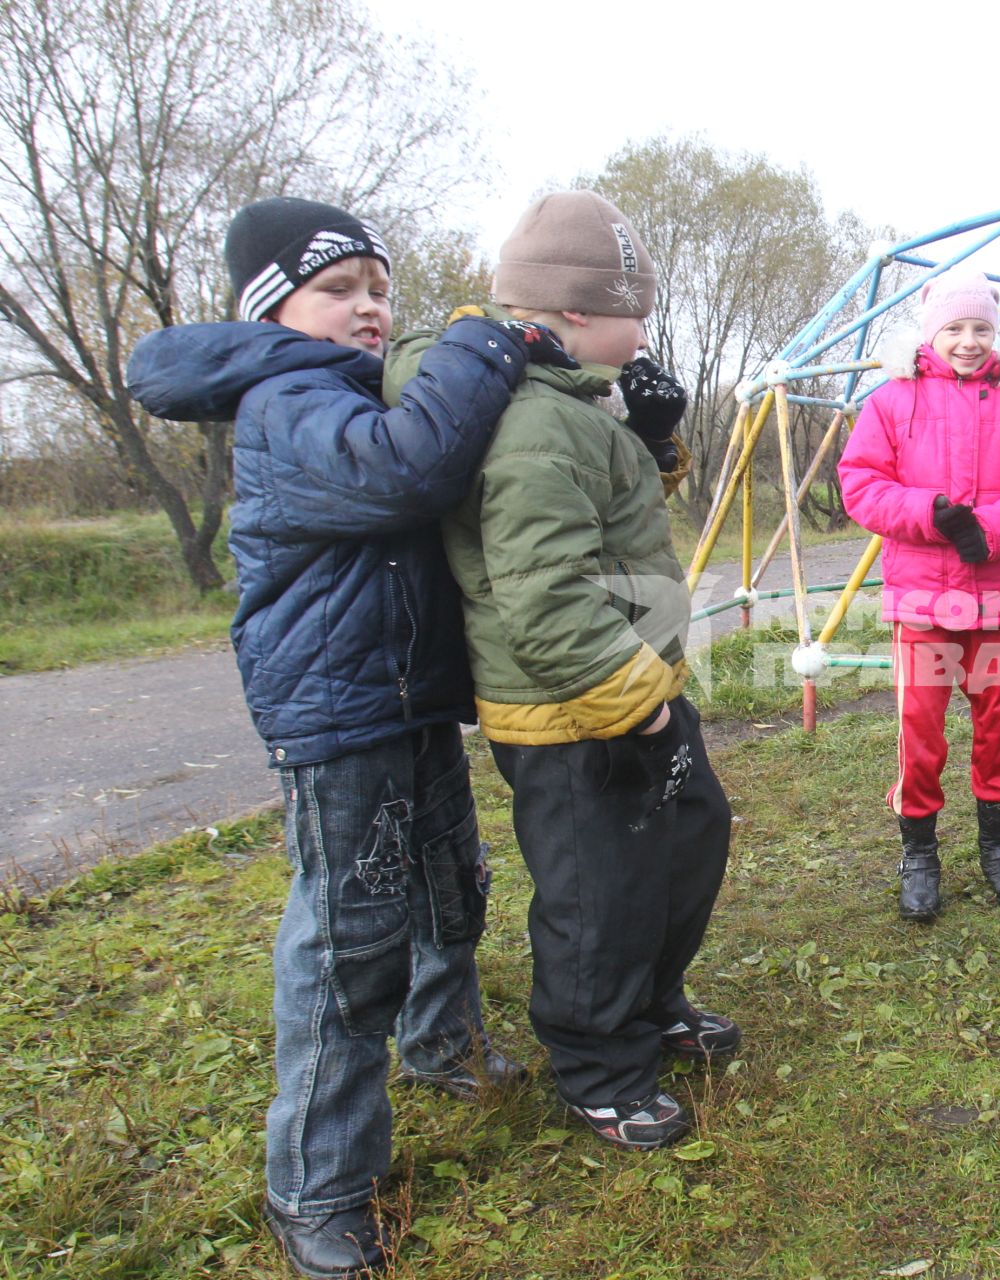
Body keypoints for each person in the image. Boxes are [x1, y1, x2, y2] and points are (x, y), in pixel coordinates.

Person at [128, 196, 570, 1277]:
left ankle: (442, 1044)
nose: (370, 307)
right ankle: (318, 1186)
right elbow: (407, 471)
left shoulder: (348, 387)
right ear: (274, 307)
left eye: (379, 288)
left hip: (407, 695)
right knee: (346, 943)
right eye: (339, 289)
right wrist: (481, 339)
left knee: (447, 886)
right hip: (338, 714)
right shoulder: (288, 398)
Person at [385, 189, 732, 1154]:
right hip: (574, 713)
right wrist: (642, 709)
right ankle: (597, 1068)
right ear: (574, 310)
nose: (647, 329)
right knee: (599, 895)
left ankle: (650, 1005)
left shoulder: (575, 402)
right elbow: (544, 596)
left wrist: (650, 439)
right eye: (637, 309)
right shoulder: (531, 423)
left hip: (635, 686)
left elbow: (612, 515)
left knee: (688, 845)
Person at [837, 271, 1000, 922]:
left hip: (994, 597)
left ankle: (998, 844)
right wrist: (931, 513)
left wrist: (989, 532)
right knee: (921, 728)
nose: (968, 341)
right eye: (955, 329)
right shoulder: (891, 402)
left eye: (980, 328)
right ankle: (919, 851)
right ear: (930, 333)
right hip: (922, 602)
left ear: (995, 333)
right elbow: (859, 482)